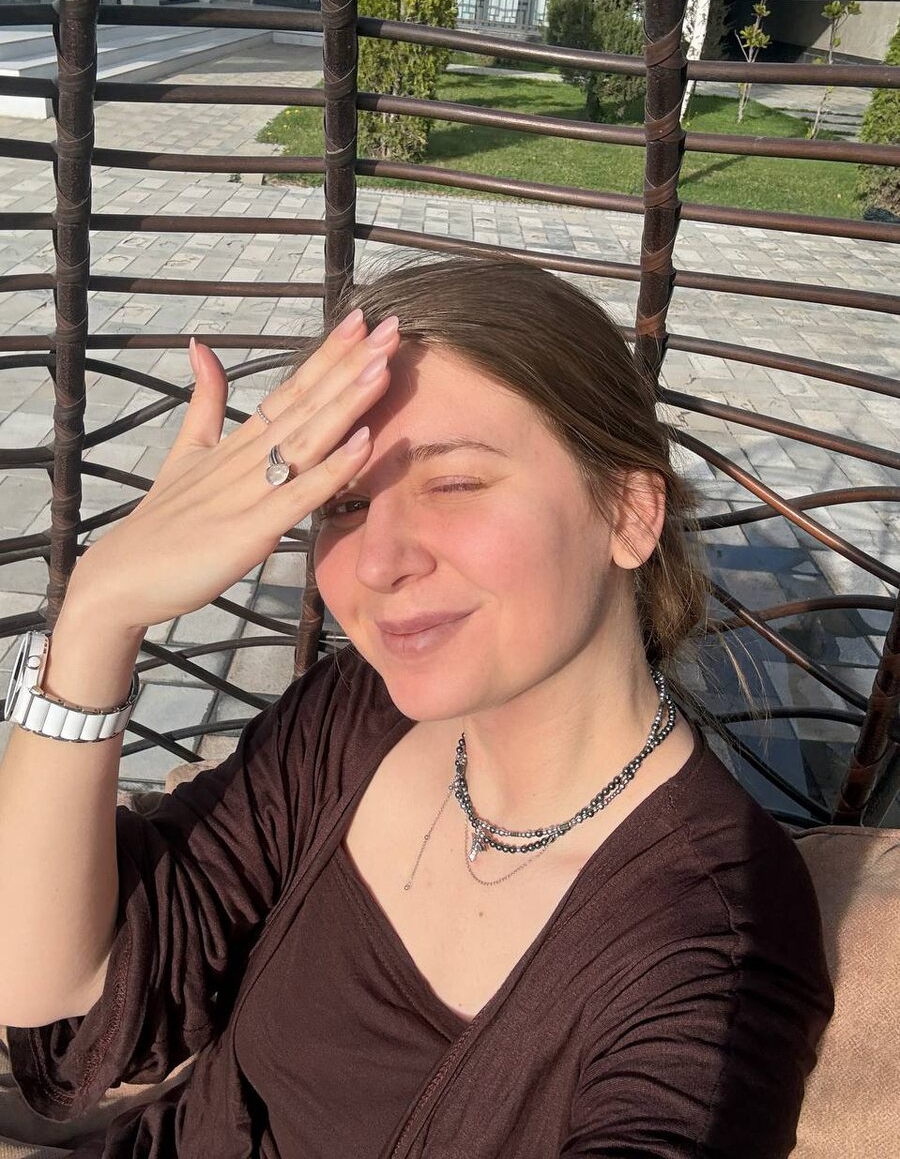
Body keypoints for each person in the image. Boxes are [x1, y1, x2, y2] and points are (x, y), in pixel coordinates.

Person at [0, 255, 833, 1158]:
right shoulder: (353, 715)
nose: (377, 561)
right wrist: (99, 616)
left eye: (455, 483)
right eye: (345, 502)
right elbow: (60, 988)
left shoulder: (715, 937)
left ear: (629, 515)